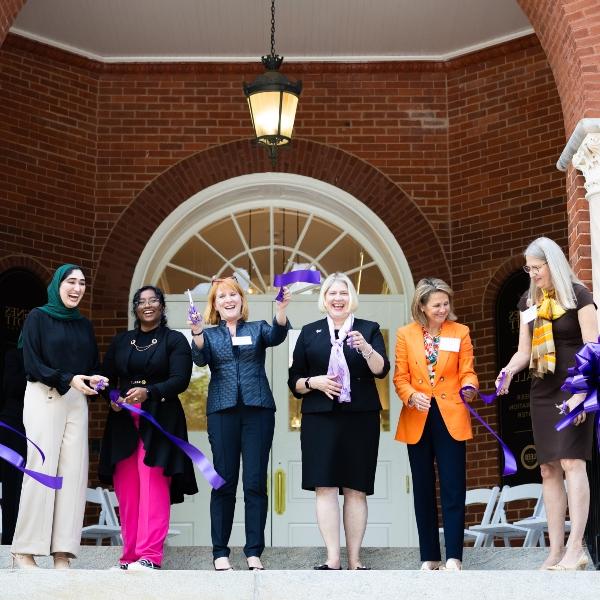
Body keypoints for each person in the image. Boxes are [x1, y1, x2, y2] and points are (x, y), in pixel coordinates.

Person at [496, 237, 597, 570]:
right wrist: (508, 371)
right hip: (542, 390)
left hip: (574, 389)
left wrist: (582, 396)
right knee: (548, 468)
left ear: (552, 263)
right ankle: (555, 551)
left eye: (536, 268)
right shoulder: (529, 300)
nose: (532, 274)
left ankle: (577, 547)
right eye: (529, 268)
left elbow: (593, 347)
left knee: (572, 463)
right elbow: (525, 352)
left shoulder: (580, 296)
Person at [288, 272, 389, 571]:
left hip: (361, 418)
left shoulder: (368, 330)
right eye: (332, 293)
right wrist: (314, 381)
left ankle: (355, 559)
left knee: (356, 488)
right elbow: (293, 382)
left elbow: (381, 369)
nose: (338, 298)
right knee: (326, 487)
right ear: (324, 298)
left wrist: (366, 348)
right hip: (321, 418)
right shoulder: (309, 332)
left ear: (351, 297)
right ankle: (333, 558)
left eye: (343, 292)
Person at [190, 275, 290, 571]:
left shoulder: (257, 328)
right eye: (222, 296)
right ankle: (220, 551)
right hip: (222, 411)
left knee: (255, 482)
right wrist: (196, 332)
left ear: (241, 300)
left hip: (257, 410)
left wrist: (281, 309)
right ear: (215, 305)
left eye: (233, 294)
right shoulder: (209, 334)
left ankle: (253, 551)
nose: (228, 300)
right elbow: (199, 359)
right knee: (223, 481)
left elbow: (277, 336)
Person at [11, 264, 106, 569]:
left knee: (73, 476)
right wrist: (68, 378)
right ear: (58, 284)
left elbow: (92, 364)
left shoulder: (84, 325)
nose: (77, 288)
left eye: (82, 283)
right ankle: (24, 549)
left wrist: (96, 380)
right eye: (71, 282)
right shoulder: (38, 317)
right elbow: (32, 363)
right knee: (42, 470)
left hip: (76, 400)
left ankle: (62, 551)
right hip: (45, 396)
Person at [99, 285, 198, 571]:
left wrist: (150, 392)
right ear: (135, 308)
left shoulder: (174, 340)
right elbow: (106, 379)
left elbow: (181, 379)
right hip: (123, 423)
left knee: (153, 485)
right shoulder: (121, 341)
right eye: (141, 302)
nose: (148, 305)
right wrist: (112, 397)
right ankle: (128, 557)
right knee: (128, 490)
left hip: (160, 420)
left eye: (153, 300)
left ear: (162, 307)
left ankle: (150, 556)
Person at [393, 277, 478, 571]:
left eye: (446, 303)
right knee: (423, 488)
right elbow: (400, 378)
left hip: (450, 415)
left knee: (454, 487)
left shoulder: (460, 332)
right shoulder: (405, 335)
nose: (443, 309)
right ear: (423, 306)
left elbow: (468, 372)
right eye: (437, 305)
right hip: (417, 415)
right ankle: (429, 556)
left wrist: (469, 387)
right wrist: (411, 395)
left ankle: (454, 556)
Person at [0, 347, 27, 544]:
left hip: (41, 424)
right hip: (14, 426)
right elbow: (11, 387)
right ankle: (10, 538)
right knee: (13, 483)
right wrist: (37, 372)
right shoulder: (15, 356)